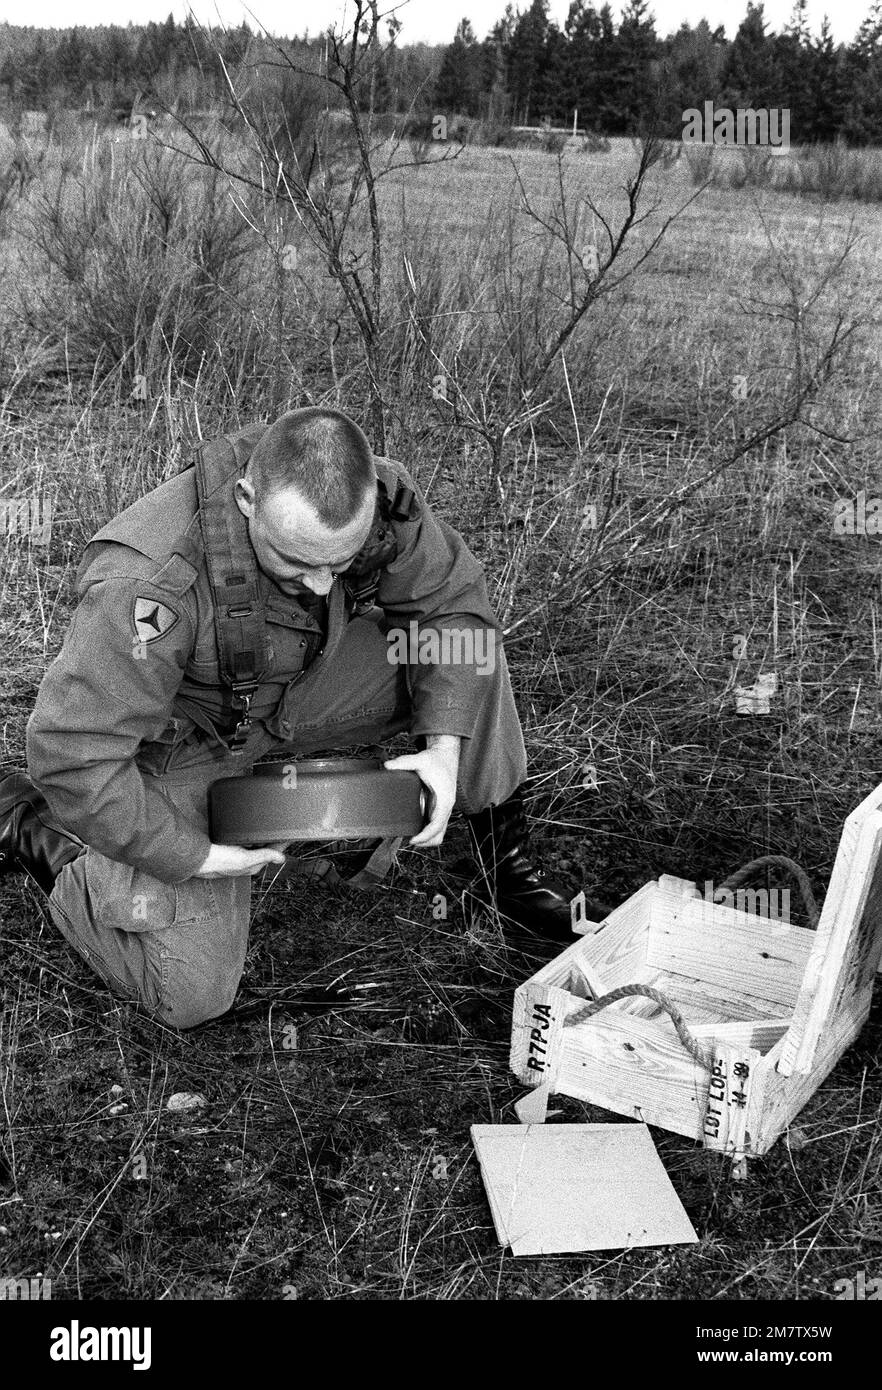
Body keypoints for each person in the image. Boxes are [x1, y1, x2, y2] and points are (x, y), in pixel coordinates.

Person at [0, 407, 577, 1029]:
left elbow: (450, 610)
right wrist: (188, 855)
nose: (324, 586)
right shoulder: (149, 582)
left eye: (339, 561)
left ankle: (504, 867)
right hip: (192, 739)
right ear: (248, 500)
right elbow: (73, 751)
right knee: (188, 996)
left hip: (307, 686)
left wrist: (443, 747)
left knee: (469, 656)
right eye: (297, 563)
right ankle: (38, 829)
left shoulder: (378, 498)